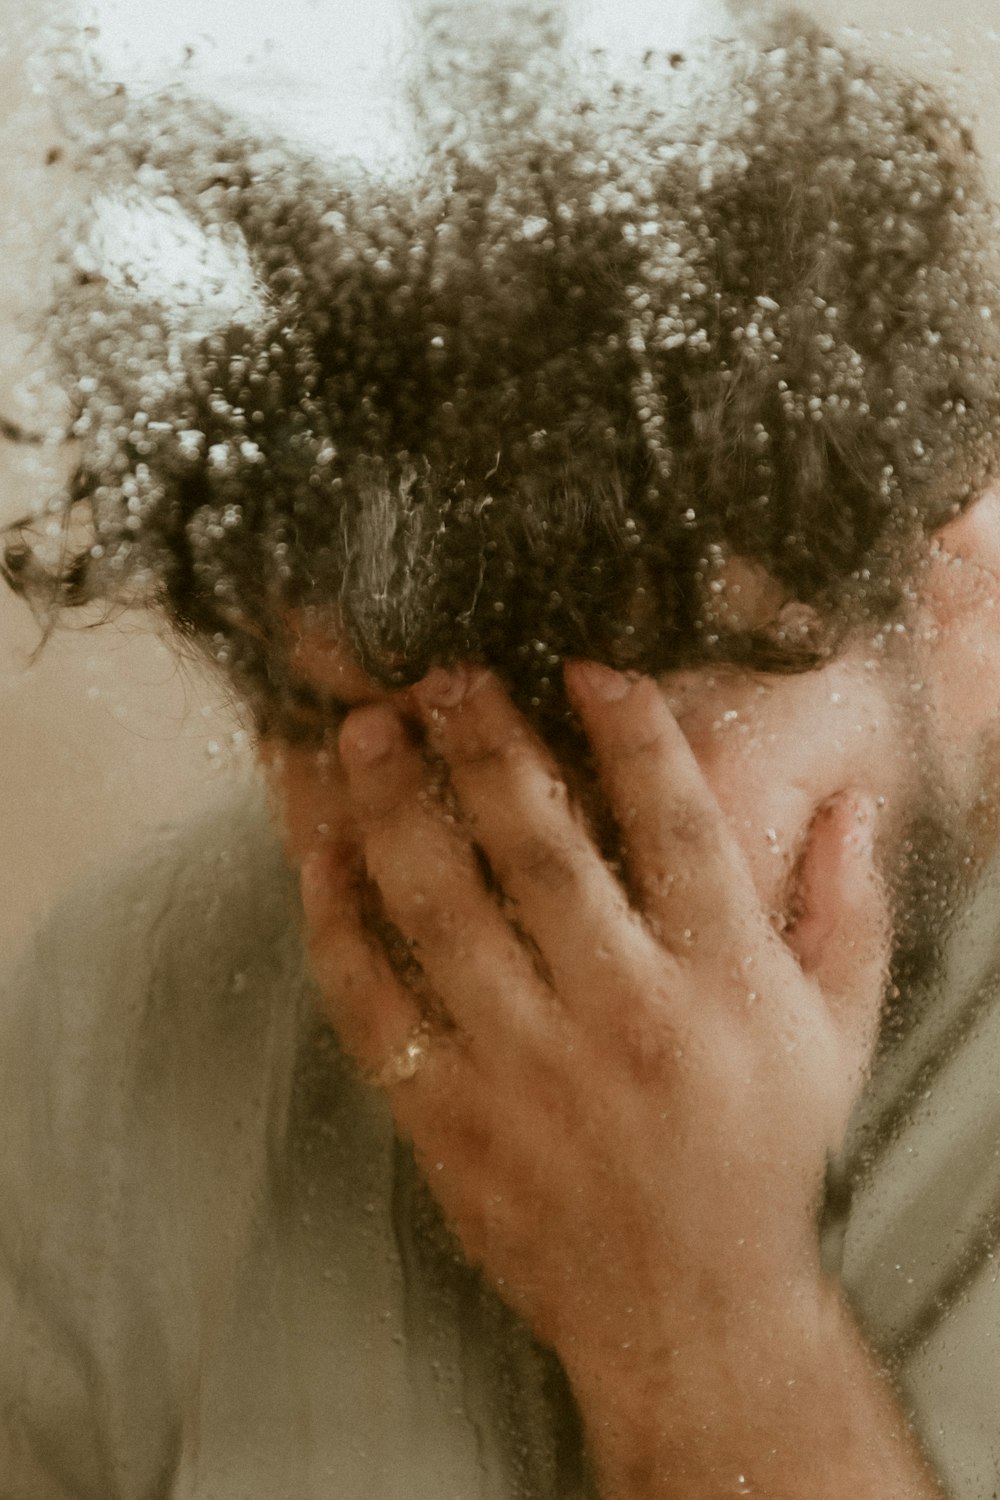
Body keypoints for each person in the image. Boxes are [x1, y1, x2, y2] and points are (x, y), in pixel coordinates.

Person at [4, 16, 1000, 1496]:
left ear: (958, 596)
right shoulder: (117, 1016)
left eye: (610, 745)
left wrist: (700, 1323)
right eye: (362, 737)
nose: (470, 858)